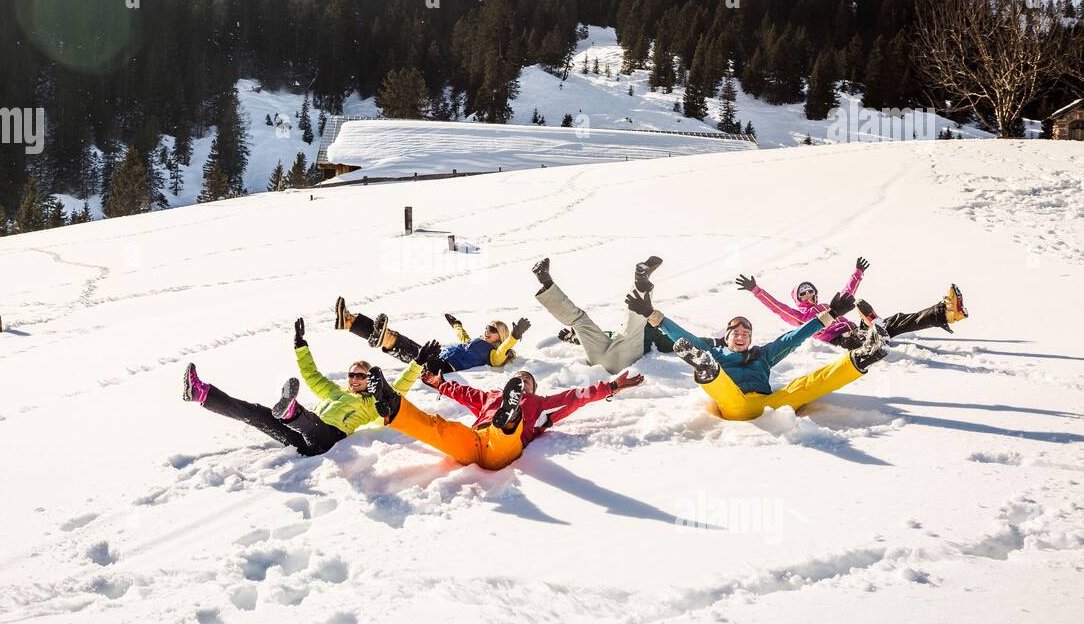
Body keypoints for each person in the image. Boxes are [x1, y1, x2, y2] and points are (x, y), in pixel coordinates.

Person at [181, 318, 421, 455]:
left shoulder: (372, 404)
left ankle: (290, 412)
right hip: (298, 438)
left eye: (361, 375)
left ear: (369, 379)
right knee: (253, 413)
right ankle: (200, 393)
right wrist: (300, 345)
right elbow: (312, 375)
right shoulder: (335, 392)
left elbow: (399, 388)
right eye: (351, 374)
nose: (355, 378)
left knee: (310, 422)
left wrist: (417, 363)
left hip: (326, 439)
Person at [644, 287, 887, 421]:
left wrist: (829, 315)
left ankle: (862, 357)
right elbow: (682, 336)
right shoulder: (715, 352)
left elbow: (793, 338)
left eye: (745, 334)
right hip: (735, 405)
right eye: (735, 333)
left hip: (768, 404)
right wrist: (655, 317)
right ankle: (705, 369)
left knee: (804, 386)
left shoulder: (762, 355)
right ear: (726, 337)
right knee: (724, 387)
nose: (741, 336)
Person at [365, 362, 644, 471]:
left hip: (503, 447)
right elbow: (462, 393)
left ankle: (510, 418)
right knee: (439, 428)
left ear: (532, 388)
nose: (523, 380)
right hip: (474, 440)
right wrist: (440, 384)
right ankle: (392, 405)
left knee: (504, 433)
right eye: (518, 378)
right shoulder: (489, 397)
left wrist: (612, 386)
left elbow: (575, 397)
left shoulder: (541, 404)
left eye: (526, 381)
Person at [736, 257, 968, 348]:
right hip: (843, 339)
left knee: (893, 319)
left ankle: (945, 312)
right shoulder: (801, 317)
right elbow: (777, 307)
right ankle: (874, 331)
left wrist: (857, 273)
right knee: (868, 329)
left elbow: (848, 294)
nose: (808, 295)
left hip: (856, 329)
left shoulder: (829, 306)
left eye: (810, 291)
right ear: (798, 299)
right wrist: (756, 290)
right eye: (803, 293)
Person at [532, 255, 674, 373]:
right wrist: (574, 337)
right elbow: (674, 343)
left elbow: (674, 343)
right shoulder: (647, 334)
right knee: (581, 322)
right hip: (608, 360)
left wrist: (574, 338)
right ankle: (547, 281)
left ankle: (642, 279)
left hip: (611, 361)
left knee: (582, 321)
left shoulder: (648, 332)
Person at [335, 296, 528, 375]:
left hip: (444, 368)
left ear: (499, 337)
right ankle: (350, 322)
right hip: (438, 356)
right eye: (488, 327)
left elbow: (503, 351)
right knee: (399, 340)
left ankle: (358, 326)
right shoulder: (474, 342)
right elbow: (463, 337)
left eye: (493, 330)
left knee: (404, 346)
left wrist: (514, 336)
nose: (488, 331)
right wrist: (456, 324)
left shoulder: (494, 355)